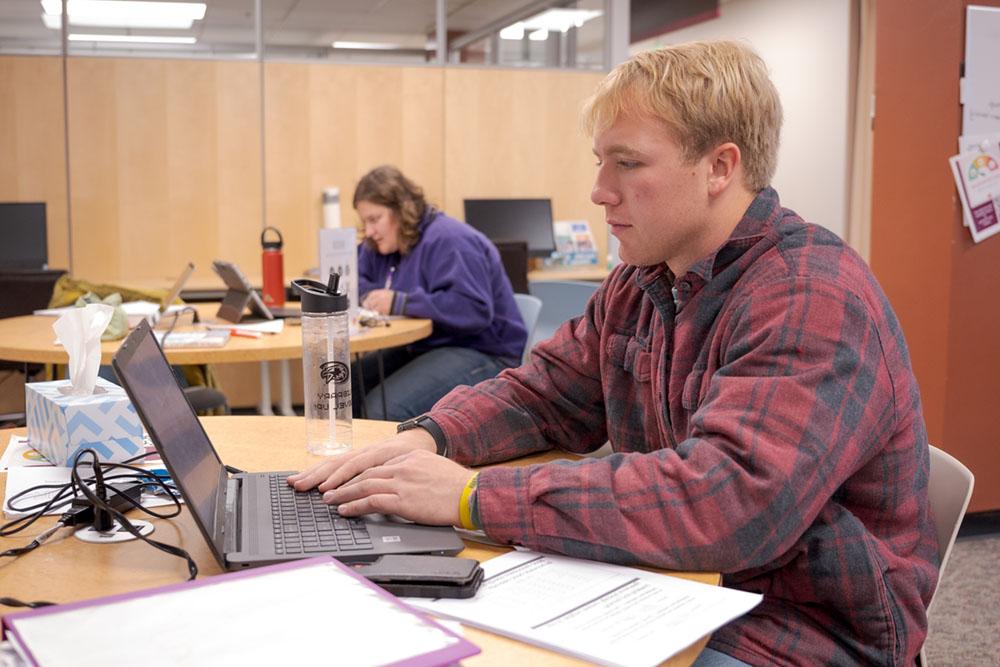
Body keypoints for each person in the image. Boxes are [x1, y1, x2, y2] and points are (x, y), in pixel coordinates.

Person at [290, 41, 939, 666]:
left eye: (626, 163)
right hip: (682, 582)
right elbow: (542, 393)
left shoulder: (809, 295)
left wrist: (471, 495)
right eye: (601, 161)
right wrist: (429, 440)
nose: (600, 190)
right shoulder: (642, 280)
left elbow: (726, 502)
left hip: (797, 625)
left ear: (720, 166)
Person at [350, 165, 527, 421]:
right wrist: (372, 296)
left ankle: (393, 461)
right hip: (429, 344)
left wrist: (402, 302)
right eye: (365, 221)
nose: (369, 231)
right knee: (341, 389)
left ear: (401, 210)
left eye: (375, 219)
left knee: (382, 410)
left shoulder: (451, 240)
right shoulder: (385, 243)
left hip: (483, 350)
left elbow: (473, 310)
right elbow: (355, 279)